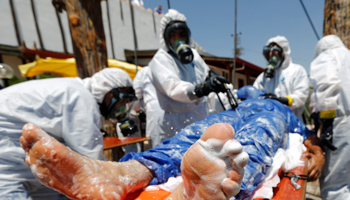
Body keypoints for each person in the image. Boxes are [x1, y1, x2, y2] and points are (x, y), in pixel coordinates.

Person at [20, 97, 324, 200]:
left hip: (272, 114)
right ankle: (123, 173)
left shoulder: (285, 110)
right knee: (204, 137)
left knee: (250, 140)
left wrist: (314, 149)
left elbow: (309, 141)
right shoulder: (249, 93)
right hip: (238, 107)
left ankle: (214, 188)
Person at [0, 68, 137, 199]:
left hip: (14, 144)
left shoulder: (74, 89)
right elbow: (91, 159)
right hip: (7, 150)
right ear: (110, 92)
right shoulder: (82, 99)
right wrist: (123, 176)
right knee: (9, 186)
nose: (122, 107)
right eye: (122, 101)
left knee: (54, 192)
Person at [149, 9, 230, 140]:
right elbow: (173, 87)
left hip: (201, 119)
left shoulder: (195, 56)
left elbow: (206, 76)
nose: (178, 40)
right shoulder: (160, 60)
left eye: (182, 35)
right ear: (166, 38)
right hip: (177, 126)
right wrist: (200, 89)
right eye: (173, 36)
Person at [309, 34, 350, 200]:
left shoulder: (327, 56)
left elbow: (327, 84)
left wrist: (326, 121)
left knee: (335, 186)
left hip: (341, 121)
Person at [253, 35, 309, 121]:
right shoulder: (263, 77)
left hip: (292, 124)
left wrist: (283, 100)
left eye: (275, 51)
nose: (271, 55)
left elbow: (301, 95)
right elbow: (254, 95)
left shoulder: (297, 71)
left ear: (284, 52)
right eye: (269, 52)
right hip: (269, 122)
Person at [133, 66, 165, 147]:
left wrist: (135, 113)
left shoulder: (144, 72)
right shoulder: (174, 69)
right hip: (175, 111)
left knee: (156, 146)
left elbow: (135, 96)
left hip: (155, 113)